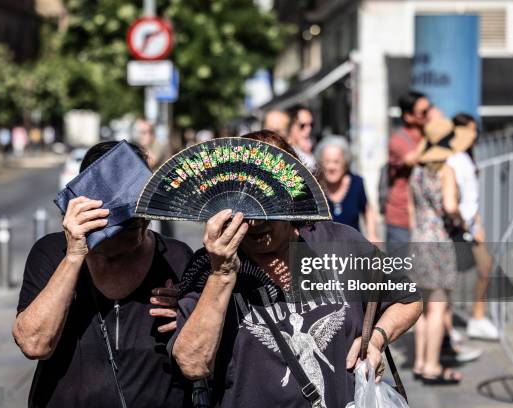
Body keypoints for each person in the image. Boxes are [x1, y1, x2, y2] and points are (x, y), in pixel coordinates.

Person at [170, 130, 422, 407]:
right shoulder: (209, 265)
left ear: (292, 197)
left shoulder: (339, 242)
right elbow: (192, 364)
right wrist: (222, 274)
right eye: (245, 207)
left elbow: (407, 299)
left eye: (267, 205)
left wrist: (375, 340)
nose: (255, 223)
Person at [12, 141, 193, 407]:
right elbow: (34, 344)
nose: (143, 223)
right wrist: (74, 255)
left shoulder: (176, 257)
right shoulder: (51, 253)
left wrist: (189, 316)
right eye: (127, 218)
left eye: (145, 211)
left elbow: (199, 352)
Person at [409, 118, 471, 385]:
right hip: (439, 242)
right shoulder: (445, 171)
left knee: (422, 307)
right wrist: (461, 220)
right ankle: (433, 366)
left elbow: (413, 211)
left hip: (419, 239)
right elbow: (449, 205)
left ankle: (421, 362)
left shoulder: (417, 172)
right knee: (438, 306)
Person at [449, 113, 498, 341]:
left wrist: (477, 223)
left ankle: (477, 318)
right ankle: (446, 328)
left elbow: (472, 197)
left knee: (485, 266)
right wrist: (463, 222)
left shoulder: (467, 157)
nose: (474, 134)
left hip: (471, 224)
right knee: (449, 278)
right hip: (457, 225)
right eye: (469, 129)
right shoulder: (451, 159)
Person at [385, 91, 433, 256]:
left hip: (427, 219)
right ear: (408, 116)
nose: (430, 115)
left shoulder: (428, 136)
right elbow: (414, 159)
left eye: (430, 109)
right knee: (399, 274)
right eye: (424, 112)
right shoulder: (398, 140)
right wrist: (434, 135)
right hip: (402, 218)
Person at [315, 136, 378, 242]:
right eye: (327, 161)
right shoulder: (315, 187)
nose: (331, 167)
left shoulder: (357, 183)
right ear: (321, 163)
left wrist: (372, 234)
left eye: (336, 162)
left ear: (345, 163)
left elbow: (367, 209)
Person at [287, 105, 317, 171]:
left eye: (311, 125)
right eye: (302, 126)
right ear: (290, 126)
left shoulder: (309, 148)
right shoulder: (285, 151)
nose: (309, 130)